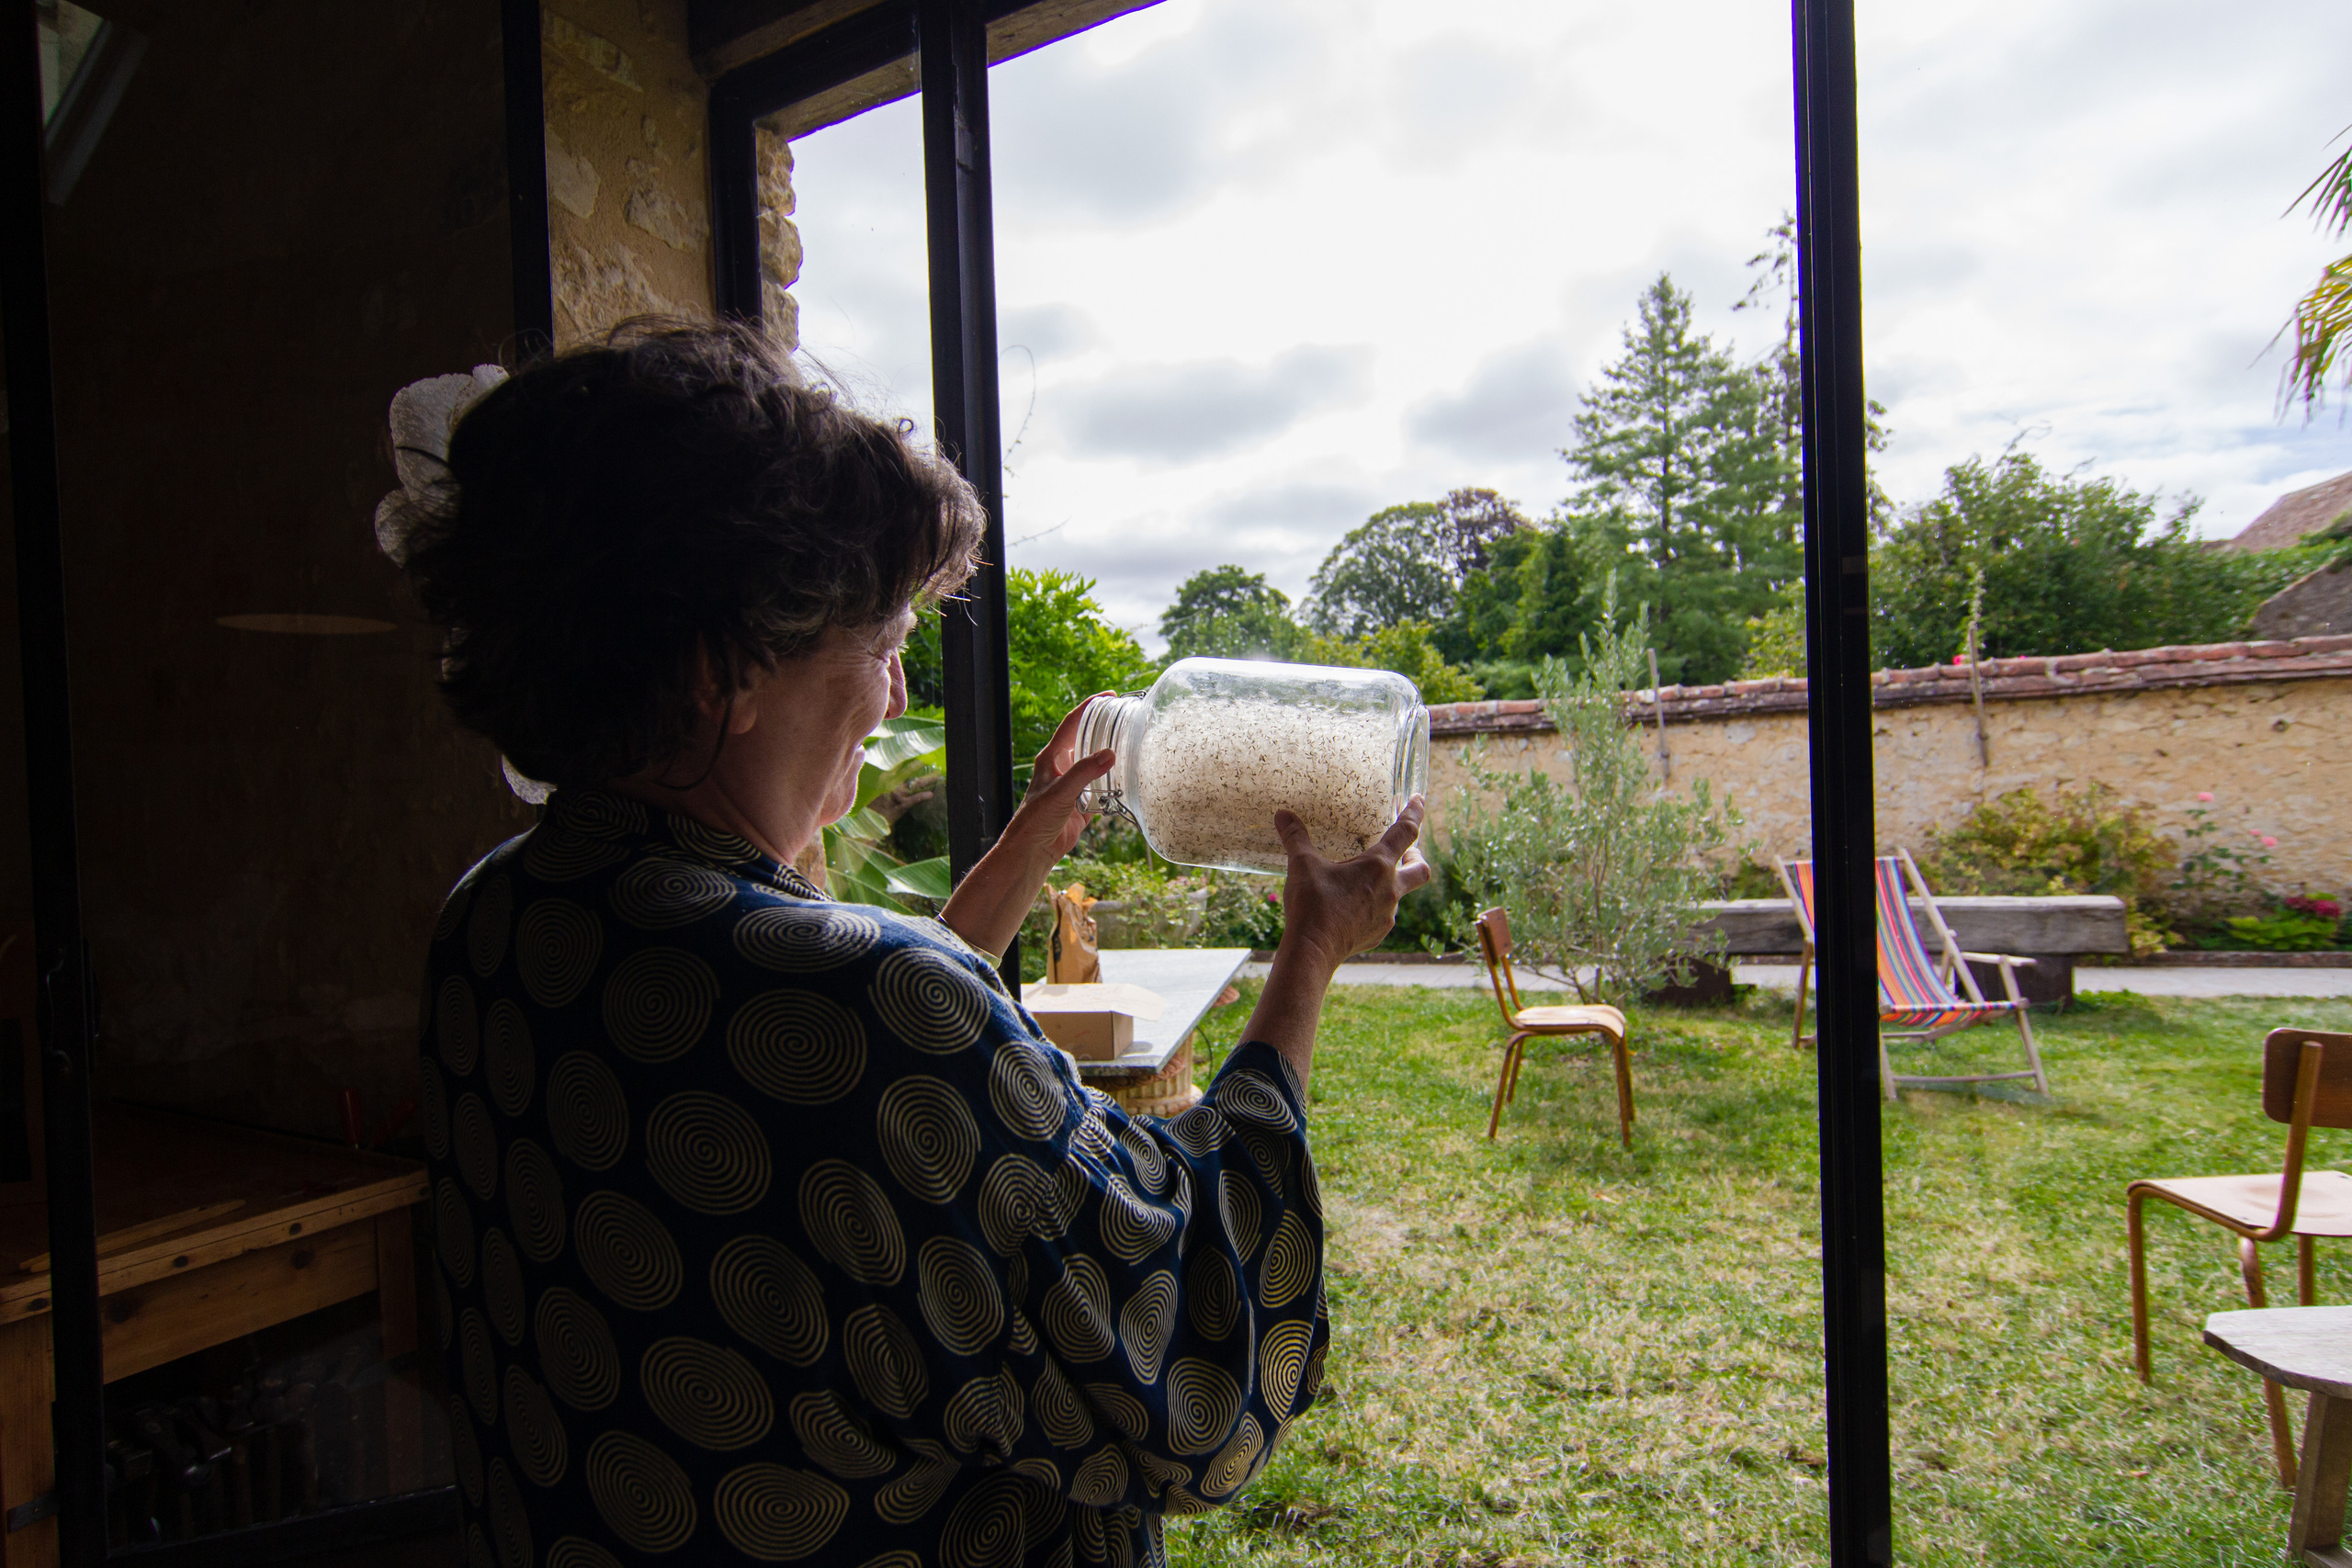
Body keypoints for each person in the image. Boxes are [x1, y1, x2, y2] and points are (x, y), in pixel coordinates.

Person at [389, 319, 1429, 1568]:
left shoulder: (494, 918)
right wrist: (1310, 954)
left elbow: (829, 1106)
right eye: (880, 642)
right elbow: (1198, 1374)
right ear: (728, 669)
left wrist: (1028, 846)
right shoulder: (876, 1016)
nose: (892, 694)